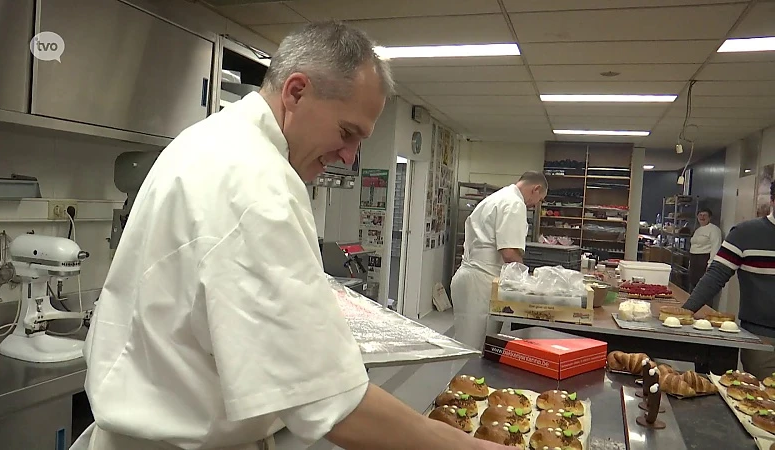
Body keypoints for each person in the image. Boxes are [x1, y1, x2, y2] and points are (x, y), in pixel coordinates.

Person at [71, 21, 517, 450]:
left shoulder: (208, 140)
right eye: (347, 133)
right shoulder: (256, 184)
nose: (349, 156)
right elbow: (331, 403)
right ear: (297, 91)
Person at [683, 181, 775, 379]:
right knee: (764, 401)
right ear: (772, 201)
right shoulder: (745, 234)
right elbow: (715, 276)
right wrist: (683, 314)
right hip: (762, 338)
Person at [451, 172, 548, 350]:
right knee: (473, 350)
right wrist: (526, 282)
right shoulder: (514, 204)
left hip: (471, 277)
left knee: (466, 346)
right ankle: (461, 379)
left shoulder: (498, 197)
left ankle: (463, 378)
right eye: (540, 199)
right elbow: (509, 253)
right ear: (536, 189)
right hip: (481, 282)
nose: (536, 205)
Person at [688, 207, 722, 296]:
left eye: (705, 215)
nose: (702, 217)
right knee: (694, 286)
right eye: (700, 215)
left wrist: (710, 264)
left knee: (703, 288)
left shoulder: (714, 230)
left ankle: (704, 309)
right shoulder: (698, 230)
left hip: (704, 260)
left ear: (710, 217)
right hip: (694, 260)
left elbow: (716, 247)